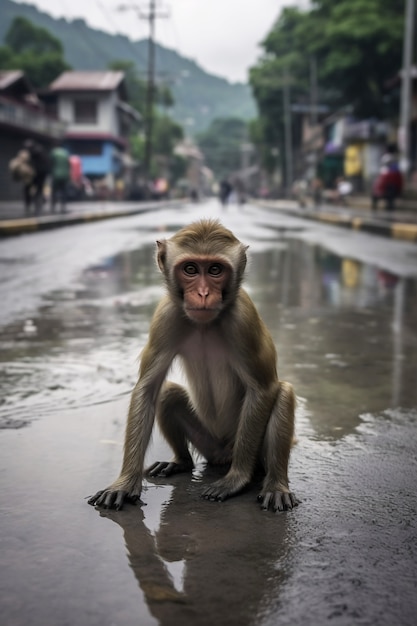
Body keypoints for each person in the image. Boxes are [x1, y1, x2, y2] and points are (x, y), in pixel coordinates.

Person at [22, 140, 50, 214]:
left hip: (35, 173)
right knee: (38, 189)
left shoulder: (32, 152)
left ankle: (30, 204)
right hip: (42, 173)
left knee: (28, 188)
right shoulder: (41, 150)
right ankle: (37, 204)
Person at [50, 144, 71, 213]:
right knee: (63, 191)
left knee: (54, 191)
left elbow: (51, 163)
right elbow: (69, 164)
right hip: (65, 175)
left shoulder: (54, 153)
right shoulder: (65, 153)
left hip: (56, 175)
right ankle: (63, 206)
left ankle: (53, 206)